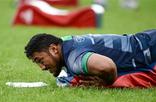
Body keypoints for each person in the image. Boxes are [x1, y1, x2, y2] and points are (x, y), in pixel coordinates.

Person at [24, 29, 156, 88]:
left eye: (40, 60)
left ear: (54, 49)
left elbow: (107, 66)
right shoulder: (65, 43)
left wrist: (107, 83)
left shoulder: (74, 59)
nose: (42, 67)